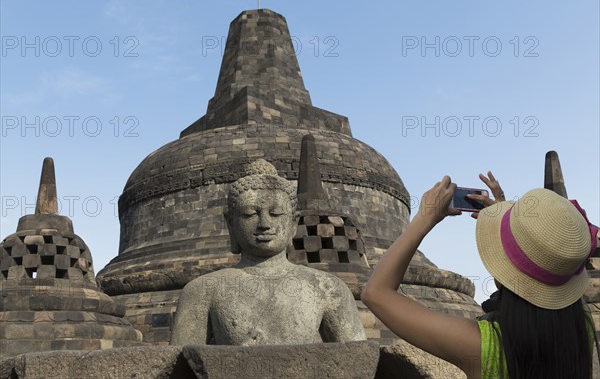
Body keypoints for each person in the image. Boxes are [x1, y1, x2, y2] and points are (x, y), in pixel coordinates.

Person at [361, 172, 597, 379]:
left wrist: (424, 219)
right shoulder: (581, 325)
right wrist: (508, 224)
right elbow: (538, 279)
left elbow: (376, 293)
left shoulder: (483, 346)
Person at [171, 159, 366, 346]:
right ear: (231, 223)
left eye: (276, 214)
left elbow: (359, 364)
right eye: (250, 214)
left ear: (293, 223)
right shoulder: (203, 291)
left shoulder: (329, 289)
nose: (264, 224)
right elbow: (180, 368)